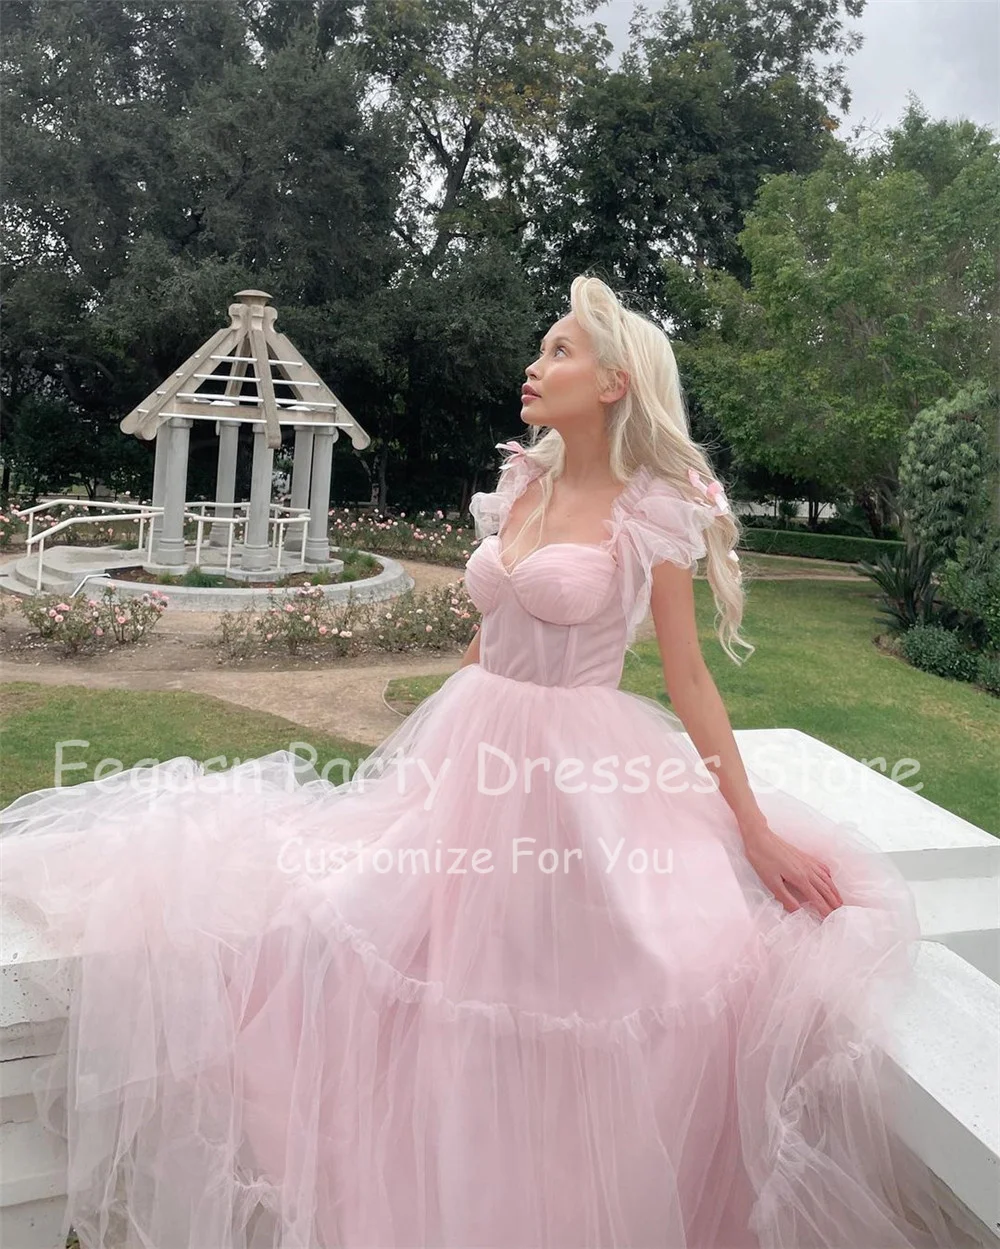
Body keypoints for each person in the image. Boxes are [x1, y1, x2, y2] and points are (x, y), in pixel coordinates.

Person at [0, 275, 980, 1249]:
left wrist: (754, 829)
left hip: (574, 777)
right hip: (473, 748)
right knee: (353, 929)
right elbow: (490, 635)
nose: (534, 365)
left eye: (560, 350)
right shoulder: (523, 483)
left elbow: (688, 679)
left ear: (615, 382)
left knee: (570, 984)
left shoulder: (652, 509)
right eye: (541, 348)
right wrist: (422, 762)